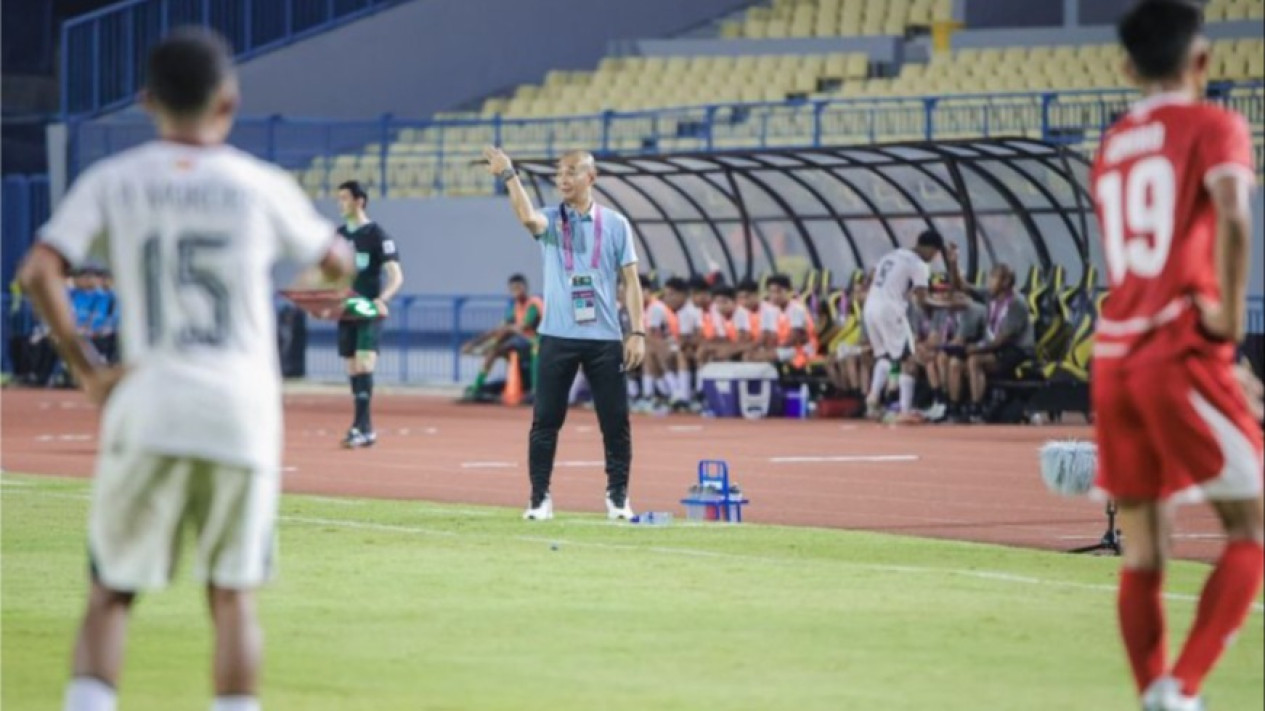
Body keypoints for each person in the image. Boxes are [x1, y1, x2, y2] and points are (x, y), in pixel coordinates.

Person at [16, 27, 352, 711]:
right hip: (241, 410)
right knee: (232, 595)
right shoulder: (261, 185)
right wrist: (314, 286)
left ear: (147, 101)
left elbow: (38, 271)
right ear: (227, 99)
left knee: (111, 593)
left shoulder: (115, 179)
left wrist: (87, 368)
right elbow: (337, 264)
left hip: (149, 400)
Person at [1090, 2, 1264, 709]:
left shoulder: (1110, 144)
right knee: (1248, 528)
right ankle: (1181, 685)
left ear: (1126, 68)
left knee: (1141, 551)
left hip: (1113, 354)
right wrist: (1223, 321)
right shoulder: (1215, 125)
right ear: (1201, 62)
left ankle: (1152, 694)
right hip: (1175, 344)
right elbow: (1230, 208)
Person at [482, 145, 645, 521]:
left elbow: (631, 282)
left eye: (571, 171)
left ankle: (617, 497)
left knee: (615, 421)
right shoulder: (552, 221)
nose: (563, 179)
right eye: (559, 173)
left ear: (592, 177)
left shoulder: (617, 225)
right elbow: (526, 217)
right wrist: (510, 175)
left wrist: (635, 332)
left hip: (605, 339)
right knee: (545, 420)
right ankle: (540, 499)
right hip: (557, 336)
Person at [335, 179, 404, 449]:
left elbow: (396, 276)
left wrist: (381, 300)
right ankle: (365, 428)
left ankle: (360, 427)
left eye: (344, 198)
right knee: (352, 368)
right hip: (345, 310)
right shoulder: (338, 235)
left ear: (359, 201)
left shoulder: (377, 234)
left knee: (365, 363)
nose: (340, 203)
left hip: (367, 310)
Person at [861, 230, 945, 421]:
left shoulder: (891, 255)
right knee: (909, 359)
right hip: (890, 310)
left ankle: (873, 399)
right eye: (934, 254)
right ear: (931, 248)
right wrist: (950, 304)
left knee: (886, 356)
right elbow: (924, 300)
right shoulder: (918, 264)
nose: (933, 258)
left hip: (870, 307)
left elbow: (871, 278)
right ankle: (904, 411)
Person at [463, 273, 543, 400]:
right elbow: (499, 329)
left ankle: (535, 391)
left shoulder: (533, 304)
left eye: (518, 287)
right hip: (520, 343)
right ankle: (477, 387)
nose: (515, 291)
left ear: (525, 287)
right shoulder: (514, 307)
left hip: (538, 343)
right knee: (496, 348)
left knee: (508, 333)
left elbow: (523, 327)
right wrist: (474, 342)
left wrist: (506, 329)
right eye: (513, 288)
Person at [745, 274, 817, 368]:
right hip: (783, 347)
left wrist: (773, 350)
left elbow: (794, 338)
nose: (774, 296)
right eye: (771, 292)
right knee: (748, 356)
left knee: (763, 356)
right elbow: (768, 335)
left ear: (788, 291)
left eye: (778, 291)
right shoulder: (771, 310)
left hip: (801, 349)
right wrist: (755, 348)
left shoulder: (797, 309)